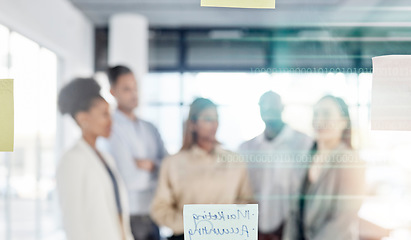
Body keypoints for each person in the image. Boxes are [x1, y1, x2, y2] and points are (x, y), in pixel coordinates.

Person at [150, 98, 254, 240]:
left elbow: (247, 201)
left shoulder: (235, 161)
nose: (214, 124)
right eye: (207, 119)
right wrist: (194, 224)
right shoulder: (172, 164)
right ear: (192, 124)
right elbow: (160, 209)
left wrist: (223, 223)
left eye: (216, 118)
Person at [56, 78, 133, 240]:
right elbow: (73, 222)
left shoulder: (105, 158)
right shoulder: (72, 160)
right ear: (83, 118)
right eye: (104, 114)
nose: (111, 121)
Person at [98, 65, 167, 240]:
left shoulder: (150, 128)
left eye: (135, 87)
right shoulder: (110, 128)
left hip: (154, 215)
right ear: (113, 92)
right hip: (128, 216)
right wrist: (155, 170)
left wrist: (150, 165)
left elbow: (168, 167)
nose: (134, 93)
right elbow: (129, 177)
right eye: (127, 89)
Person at [283, 95, 366, 240]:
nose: (319, 120)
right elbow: (293, 213)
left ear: (343, 122)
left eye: (326, 114)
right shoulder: (305, 159)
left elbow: (342, 220)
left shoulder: (351, 161)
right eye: (316, 114)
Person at [238, 91, 313, 240]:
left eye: (272, 106)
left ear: (282, 108)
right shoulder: (246, 149)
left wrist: (288, 228)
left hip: (293, 231)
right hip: (255, 232)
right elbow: (243, 195)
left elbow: (308, 193)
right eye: (264, 107)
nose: (268, 111)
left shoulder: (304, 143)